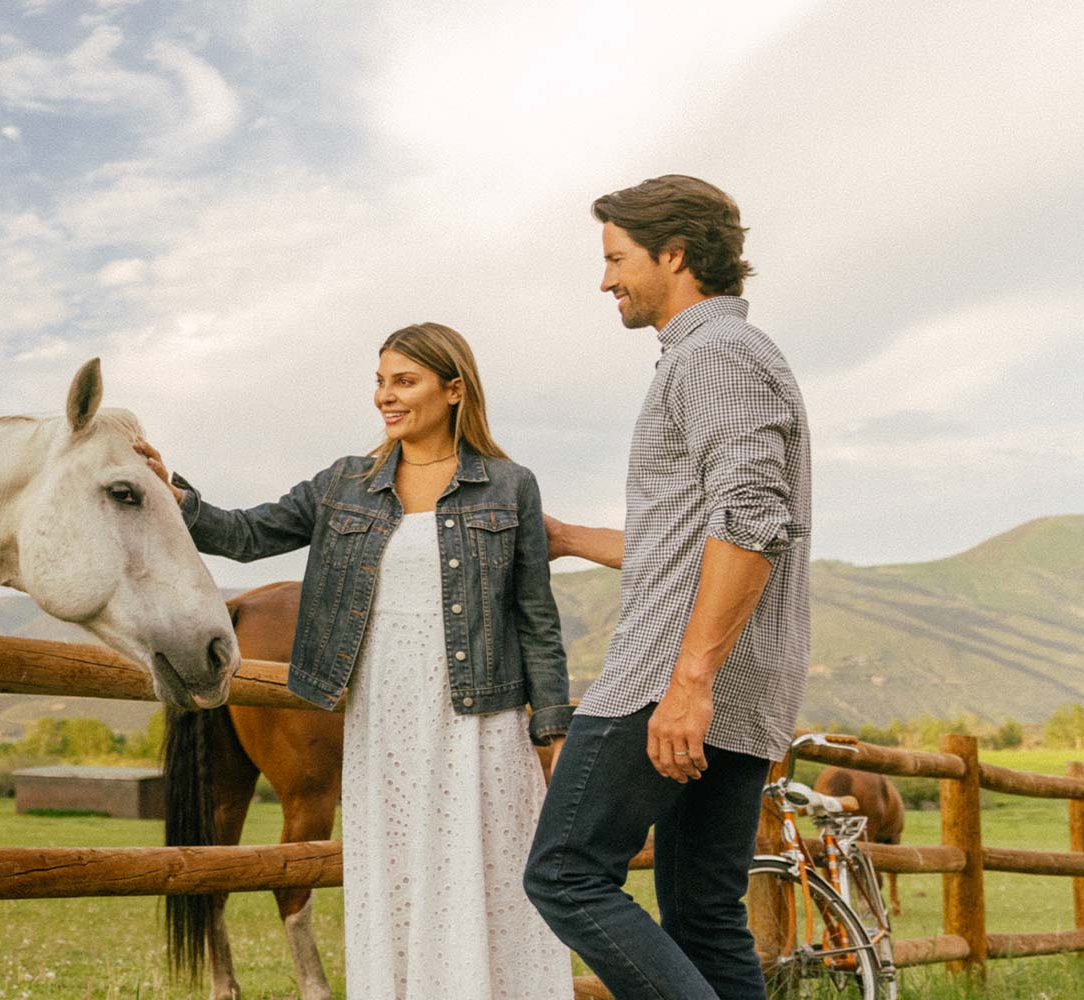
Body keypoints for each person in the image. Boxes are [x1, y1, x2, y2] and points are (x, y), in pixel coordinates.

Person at [139, 322, 574, 1000]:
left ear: (454, 389)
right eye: (380, 381)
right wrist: (179, 499)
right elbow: (247, 534)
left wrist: (551, 733)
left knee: (482, 881)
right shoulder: (345, 483)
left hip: (480, 719)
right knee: (395, 884)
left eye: (404, 381)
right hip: (381, 718)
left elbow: (535, 620)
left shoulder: (510, 486)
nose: (385, 396)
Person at [525, 174, 813, 1000]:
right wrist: (569, 540)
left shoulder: (714, 356)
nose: (606, 278)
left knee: (566, 875)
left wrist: (688, 684)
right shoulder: (729, 355)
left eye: (616, 257)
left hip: (670, 680)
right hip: (736, 689)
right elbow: (696, 534)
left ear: (675, 254)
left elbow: (752, 520)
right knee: (703, 918)